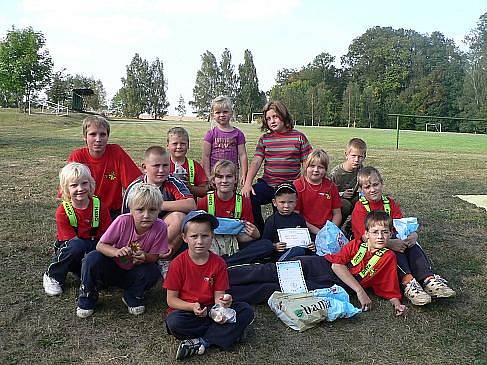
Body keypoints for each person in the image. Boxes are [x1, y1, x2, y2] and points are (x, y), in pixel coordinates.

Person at [229, 211, 408, 317]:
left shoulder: (388, 257)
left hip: (328, 285)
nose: (380, 236)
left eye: (385, 232)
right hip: (318, 265)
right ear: (366, 234)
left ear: (391, 234)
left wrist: (396, 304)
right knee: (267, 271)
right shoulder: (356, 245)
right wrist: (359, 291)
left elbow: (389, 286)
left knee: (274, 289)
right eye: (375, 232)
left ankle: (225, 295)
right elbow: (337, 265)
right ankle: (220, 277)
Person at [351, 166, 456, 306]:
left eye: (375, 185)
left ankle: (429, 279)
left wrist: (412, 235)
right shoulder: (360, 207)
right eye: (367, 187)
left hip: (392, 238)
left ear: (382, 183)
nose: (372, 190)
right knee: (394, 250)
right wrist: (390, 243)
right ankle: (408, 283)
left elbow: (401, 225)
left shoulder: (389, 202)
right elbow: (364, 238)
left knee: (411, 245)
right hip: (372, 248)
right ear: (361, 190)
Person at [164, 210, 254, 360]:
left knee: (246, 310)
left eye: (205, 236)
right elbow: (171, 300)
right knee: (174, 322)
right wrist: (192, 307)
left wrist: (224, 304)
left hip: (212, 311)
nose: (200, 241)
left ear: (212, 236)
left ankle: (203, 341)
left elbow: (219, 296)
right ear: (184, 238)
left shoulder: (218, 263)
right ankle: (229, 334)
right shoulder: (177, 264)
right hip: (188, 312)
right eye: (194, 236)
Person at [76, 183, 170, 318]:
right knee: (92, 258)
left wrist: (144, 256)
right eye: (140, 210)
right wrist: (116, 252)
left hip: (134, 270)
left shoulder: (160, 227)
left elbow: (155, 257)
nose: (146, 215)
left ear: (159, 210)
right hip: (111, 266)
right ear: (130, 209)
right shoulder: (122, 221)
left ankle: (132, 294)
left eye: (152, 210)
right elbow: (100, 245)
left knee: (152, 270)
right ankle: (88, 295)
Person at [242, 100, 312, 233]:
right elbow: (256, 161)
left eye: (275, 117)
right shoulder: (265, 139)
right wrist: (247, 183)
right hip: (268, 184)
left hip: (289, 186)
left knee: (282, 217)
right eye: (268, 119)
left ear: (284, 116)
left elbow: (307, 164)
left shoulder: (298, 138)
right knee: (250, 196)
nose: (272, 121)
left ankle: (281, 235)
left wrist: (305, 184)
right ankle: (260, 230)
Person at [43, 162, 111, 296]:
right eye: (74, 185)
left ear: (91, 184)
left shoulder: (100, 206)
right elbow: (71, 241)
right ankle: (53, 275)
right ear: (66, 189)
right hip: (72, 248)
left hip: (95, 245)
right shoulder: (63, 211)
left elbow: (107, 234)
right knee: (77, 246)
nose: (80, 189)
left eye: (84, 183)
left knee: (102, 279)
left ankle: (87, 275)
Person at [197, 160, 274, 265]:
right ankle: (229, 263)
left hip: (236, 245)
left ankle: (224, 263)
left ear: (235, 179)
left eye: (229, 176)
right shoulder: (204, 201)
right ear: (213, 180)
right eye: (220, 177)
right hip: (212, 245)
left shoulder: (244, 201)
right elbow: (198, 232)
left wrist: (255, 234)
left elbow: (247, 235)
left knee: (266, 245)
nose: (224, 181)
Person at [122, 146, 196, 253]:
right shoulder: (135, 188)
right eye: (156, 166)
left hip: (164, 230)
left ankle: (160, 255)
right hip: (141, 231)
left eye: (165, 165)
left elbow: (191, 205)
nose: (161, 170)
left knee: (179, 217)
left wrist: (158, 205)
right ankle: (148, 252)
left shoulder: (172, 182)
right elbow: (126, 220)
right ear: (144, 167)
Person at [67, 115, 141, 219]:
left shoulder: (116, 152)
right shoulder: (77, 156)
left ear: (107, 136)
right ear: (85, 136)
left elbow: (135, 184)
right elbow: (67, 191)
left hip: (113, 212)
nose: (98, 139)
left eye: (103, 134)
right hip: (85, 211)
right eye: (93, 134)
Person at [293, 148, 342, 236]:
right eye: (312, 166)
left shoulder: (331, 186)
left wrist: (330, 230)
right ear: (306, 167)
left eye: (320, 167)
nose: (316, 170)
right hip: (305, 228)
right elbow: (296, 215)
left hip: (328, 230)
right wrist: (318, 232)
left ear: (325, 169)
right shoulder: (298, 185)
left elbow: (337, 213)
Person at [262, 182, 316, 261]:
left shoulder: (299, 219)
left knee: (310, 253)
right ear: (274, 202)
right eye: (282, 202)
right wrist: (275, 246)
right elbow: (265, 243)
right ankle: (283, 261)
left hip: (301, 254)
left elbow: (306, 239)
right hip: (281, 254)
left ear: (296, 202)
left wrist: (310, 245)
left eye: (290, 202)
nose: (286, 206)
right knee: (298, 250)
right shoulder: (271, 221)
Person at [202, 95, 248, 187]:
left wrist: (243, 174)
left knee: (231, 198)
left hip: (231, 174)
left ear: (231, 113)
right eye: (218, 112)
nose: (222, 115)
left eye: (225, 112)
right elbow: (205, 156)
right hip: (215, 174)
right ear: (213, 115)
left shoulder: (238, 134)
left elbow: (242, 155)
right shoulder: (210, 134)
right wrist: (207, 175)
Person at [330, 138, 367, 223]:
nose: (356, 160)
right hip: (337, 200)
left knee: (365, 201)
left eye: (360, 157)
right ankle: (337, 227)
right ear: (346, 155)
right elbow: (329, 193)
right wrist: (342, 194)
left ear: (364, 157)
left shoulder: (361, 169)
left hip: (353, 197)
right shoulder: (336, 173)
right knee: (345, 205)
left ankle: (356, 226)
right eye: (353, 156)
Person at [167, 127, 208, 198]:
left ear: (188, 145)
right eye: (175, 144)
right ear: (167, 146)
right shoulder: (162, 165)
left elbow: (204, 191)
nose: (179, 147)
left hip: (188, 207)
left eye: (183, 143)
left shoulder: (194, 166)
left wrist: (190, 187)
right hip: (166, 206)